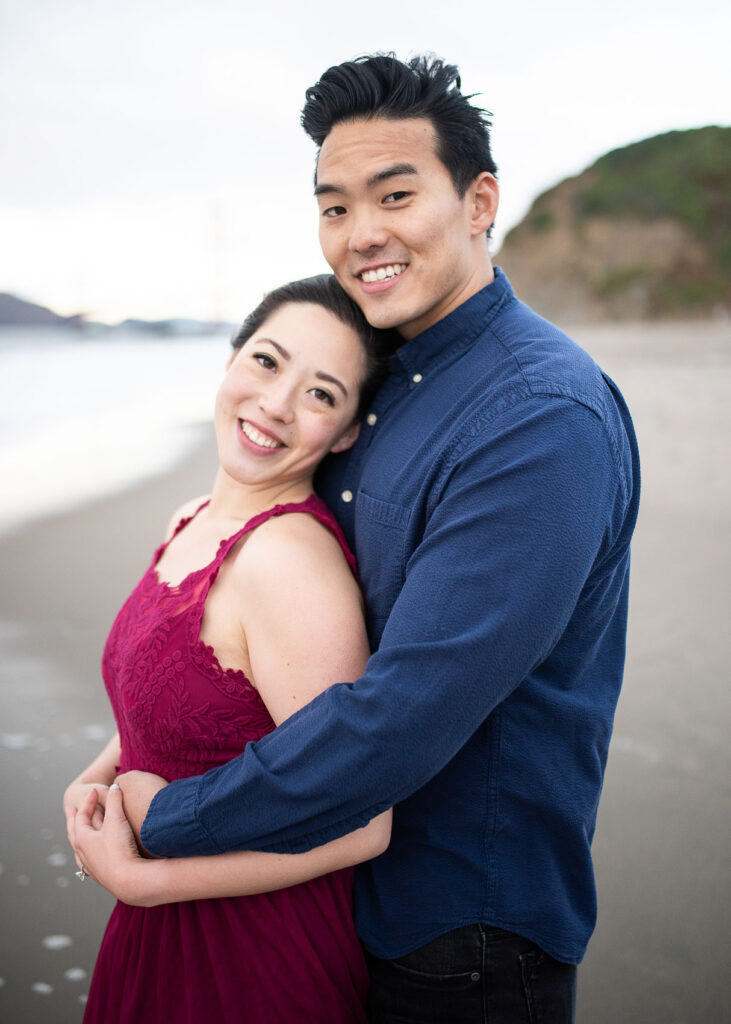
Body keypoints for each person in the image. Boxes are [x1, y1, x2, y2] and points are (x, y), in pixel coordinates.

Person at [94, 55, 641, 1023]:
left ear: (479, 202)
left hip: (459, 932)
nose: (361, 234)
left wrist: (167, 817)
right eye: (334, 206)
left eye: (394, 194)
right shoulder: (387, 382)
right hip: (330, 897)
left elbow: (403, 710)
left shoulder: (536, 418)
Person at [64, 274, 394, 1024]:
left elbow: (363, 821)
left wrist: (151, 884)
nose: (275, 405)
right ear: (231, 360)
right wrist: (90, 780)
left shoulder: (288, 565)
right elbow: (179, 703)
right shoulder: (191, 519)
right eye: (267, 362)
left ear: (344, 432)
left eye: (321, 394)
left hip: (248, 957)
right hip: (151, 927)